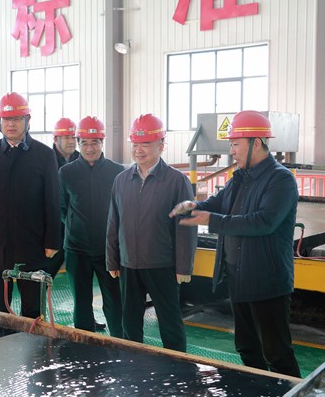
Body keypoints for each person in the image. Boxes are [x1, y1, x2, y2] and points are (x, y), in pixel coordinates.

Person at [169, 110, 301, 377]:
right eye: (231, 144)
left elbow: (264, 222)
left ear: (257, 142)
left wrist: (213, 220)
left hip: (267, 282)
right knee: (247, 347)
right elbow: (217, 203)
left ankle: (292, 390)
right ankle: (258, 390)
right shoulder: (240, 177)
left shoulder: (281, 179)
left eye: (236, 144)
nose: (232, 151)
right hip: (239, 280)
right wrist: (194, 205)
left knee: (276, 352)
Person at [106, 113, 197, 352]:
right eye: (135, 144)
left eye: (145, 144)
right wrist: (112, 259)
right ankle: (132, 365)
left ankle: (177, 367)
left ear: (161, 145)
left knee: (170, 323)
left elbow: (186, 226)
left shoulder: (176, 181)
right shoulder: (121, 180)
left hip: (162, 264)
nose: (139, 150)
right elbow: (113, 222)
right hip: (128, 265)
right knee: (130, 323)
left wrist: (184, 266)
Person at [0, 92, 61, 319]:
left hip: (32, 245)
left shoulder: (44, 155)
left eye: (17, 119)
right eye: (6, 119)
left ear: (27, 121)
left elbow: (52, 200)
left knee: (32, 311)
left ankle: (31, 343)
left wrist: (51, 241)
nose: (11, 124)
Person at [59, 116, 124, 337]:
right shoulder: (66, 173)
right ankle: (84, 344)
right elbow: (62, 208)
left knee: (114, 301)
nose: (89, 148)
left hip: (109, 251)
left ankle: (119, 343)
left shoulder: (117, 172)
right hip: (76, 250)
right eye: (84, 143)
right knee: (81, 302)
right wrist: (76, 228)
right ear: (78, 143)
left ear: (102, 142)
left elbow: (122, 208)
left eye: (94, 142)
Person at [44, 118, 79, 279]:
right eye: (66, 137)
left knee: (78, 275)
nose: (71, 141)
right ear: (55, 139)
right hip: (53, 228)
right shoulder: (45, 159)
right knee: (45, 272)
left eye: (73, 137)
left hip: (76, 228)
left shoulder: (81, 159)